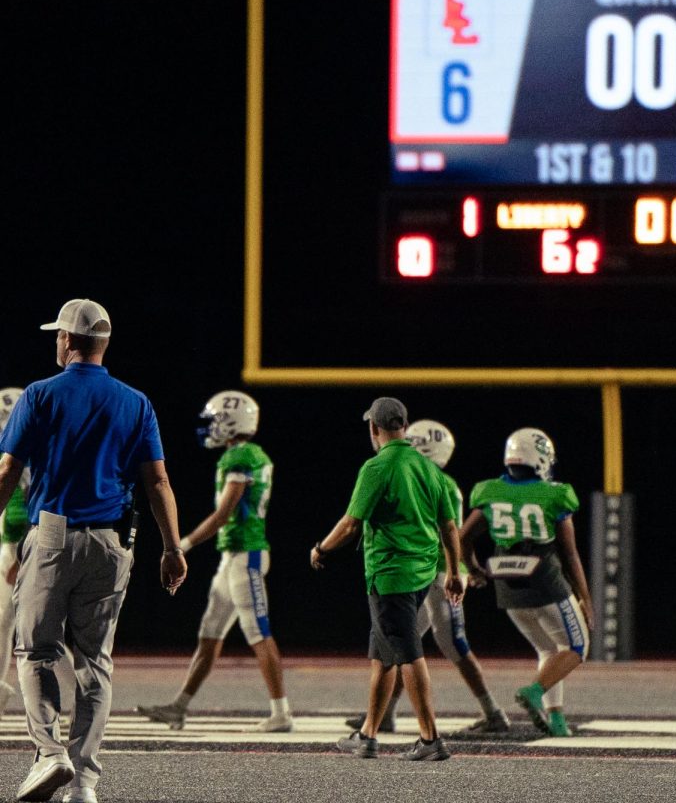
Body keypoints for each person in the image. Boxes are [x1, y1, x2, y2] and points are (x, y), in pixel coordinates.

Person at [0, 299, 187, 803]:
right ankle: (84, 782)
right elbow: (159, 481)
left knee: (35, 649)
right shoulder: (135, 401)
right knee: (95, 662)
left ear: (66, 340)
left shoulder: (40, 394)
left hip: (56, 532)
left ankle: (49, 753)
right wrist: (172, 547)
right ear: (103, 344)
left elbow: (7, 472)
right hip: (111, 540)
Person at [312, 397, 463, 762]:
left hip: (391, 573)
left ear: (374, 428)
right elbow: (449, 526)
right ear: (405, 427)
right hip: (422, 571)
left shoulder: (377, 466)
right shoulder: (429, 469)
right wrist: (455, 572)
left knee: (409, 654)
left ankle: (430, 740)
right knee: (382, 656)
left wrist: (322, 549)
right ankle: (368, 734)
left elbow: (351, 523)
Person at [136, 390, 292, 732]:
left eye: (215, 421)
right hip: (233, 556)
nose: (210, 428)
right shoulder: (252, 454)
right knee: (210, 633)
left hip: (246, 554)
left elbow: (224, 514)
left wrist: (183, 544)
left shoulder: (240, 457)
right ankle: (179, 706)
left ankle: (281, 713)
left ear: (231, 422)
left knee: (258, 632)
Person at [343, 419, 509, 735]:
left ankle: (493, 712)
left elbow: (450, 532)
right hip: (428, 571)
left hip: (434, 572)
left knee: (449, 643)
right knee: (398, 641)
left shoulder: (421, 477)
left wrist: (460, 569)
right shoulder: (435, 478)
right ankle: (384, 715)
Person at [459, 428, 593, 737]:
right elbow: (570, 554)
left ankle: (557, 720)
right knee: (576, 647)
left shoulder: (489, 491)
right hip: (545, 582)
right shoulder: (556, 494)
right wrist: (585, 597)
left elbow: (463, 538)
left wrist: (475, 570)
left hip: (506, 586)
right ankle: (534, 692)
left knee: (548, 650)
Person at [0, 386, 31, 717]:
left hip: (18, 546)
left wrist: (21, 553)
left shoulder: (24, 454)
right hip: (9, 545)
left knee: (15, 624)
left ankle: (75, 690)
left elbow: (31, 503)